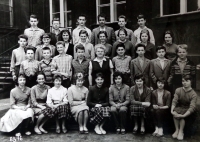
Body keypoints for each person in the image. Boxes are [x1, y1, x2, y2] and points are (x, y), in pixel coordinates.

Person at [171, 75, 197, 140]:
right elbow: (174, 101)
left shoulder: (193, 94)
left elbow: (192, 107)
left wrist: (184, 116)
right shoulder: (178, 90)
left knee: (181, 114)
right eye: (183, 81)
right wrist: (172, 111)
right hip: (180, 107)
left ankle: (181, 131)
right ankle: (177, 130)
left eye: (187, 81)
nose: (184, 83)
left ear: (191, 82)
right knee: (175, 111)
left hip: (188, 110)